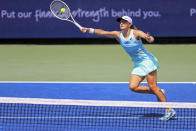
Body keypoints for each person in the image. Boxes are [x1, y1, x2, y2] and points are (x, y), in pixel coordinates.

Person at [81, 16, 176, 121]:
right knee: (133, 87)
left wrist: (149, 38)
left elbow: (147, 37)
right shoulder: (118, 35)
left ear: (129, 25)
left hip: (148, 61)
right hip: (138, 64)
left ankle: (169, 110)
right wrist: (88, 30)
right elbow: (102, 32)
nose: (121, 23)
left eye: (124, 22)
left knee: (153, 85)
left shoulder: (135, 33)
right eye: (121, 22)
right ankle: (158, 92)